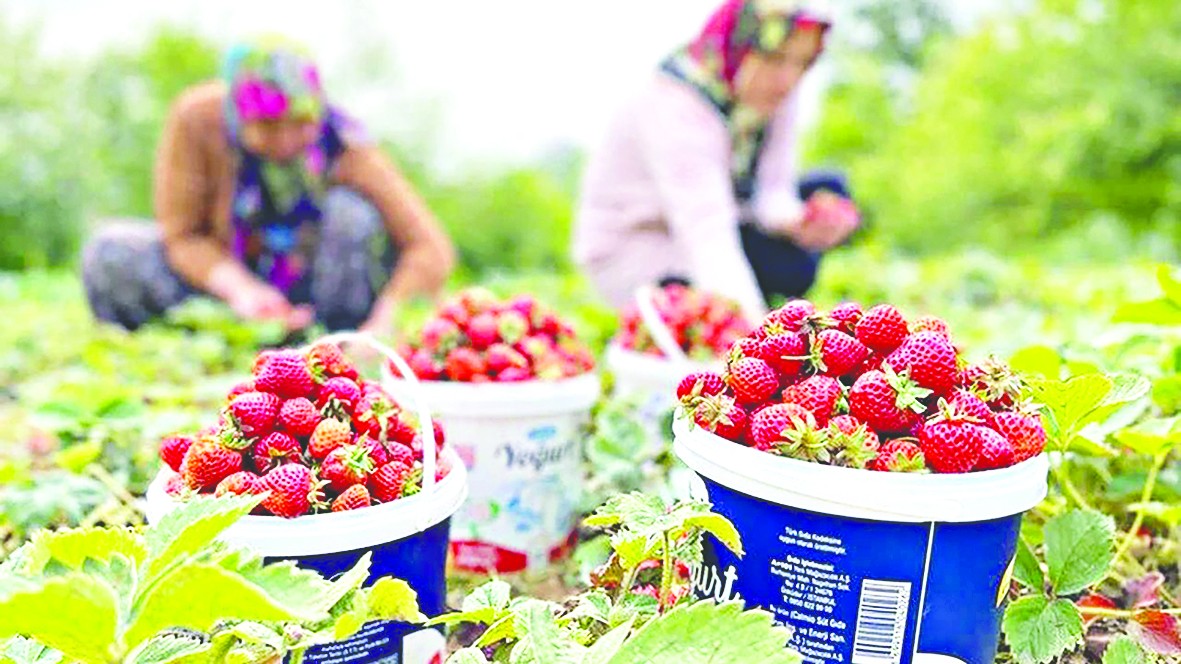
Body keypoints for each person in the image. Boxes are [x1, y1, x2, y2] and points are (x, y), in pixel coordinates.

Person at [82, 37, 455, 335]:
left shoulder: (345, 144)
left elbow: (430, 247)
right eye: (269, 126)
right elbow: (183, 235)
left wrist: (385, 321)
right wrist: (243, 291)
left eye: (300, 122)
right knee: (111, 252)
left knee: (352, 215)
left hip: (321, 292)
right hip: (229, 286)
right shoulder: (197, 120)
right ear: (239, 116)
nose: (287, 139)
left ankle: (333, 340)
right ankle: (206, 337)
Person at [573, 0, 860, 324]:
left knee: (829, 189)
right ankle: (716, 317)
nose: (787, 79)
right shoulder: (675, 101)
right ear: (742, 46)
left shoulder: (776, 94)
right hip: (643, 244)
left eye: (802, 63)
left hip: (727, 213)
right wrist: (760, 342)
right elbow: (706, 233)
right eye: (775, 58)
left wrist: (799, 223)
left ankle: (743, 307)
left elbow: (772, 188)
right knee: (770, 272)